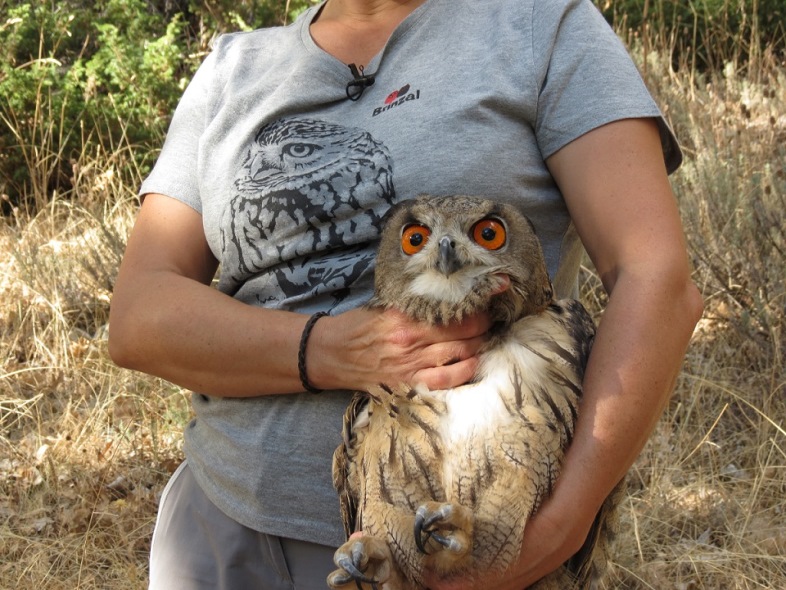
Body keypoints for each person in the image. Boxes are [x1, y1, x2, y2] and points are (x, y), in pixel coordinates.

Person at [108, 0, 704, 588]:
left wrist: (556, 531)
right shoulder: (234, 68)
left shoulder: (539, 27)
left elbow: (654, 280)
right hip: (224, 530)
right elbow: (138, 316)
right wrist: (328, 349)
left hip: (471, 536)